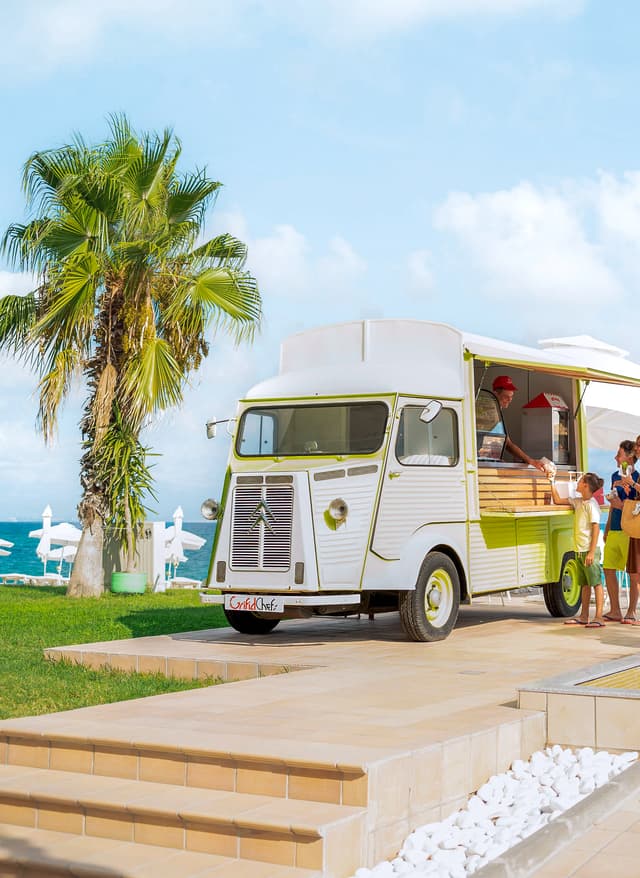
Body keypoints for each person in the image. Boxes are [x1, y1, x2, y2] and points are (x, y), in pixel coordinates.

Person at [548, 472, 605, 627]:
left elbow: (595, 529)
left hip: (589, 551)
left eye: (579, 481)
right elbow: (558, 500)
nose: (577, 484)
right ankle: (584, 616)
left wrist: (592, 552)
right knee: (584, 584)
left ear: (585, 485)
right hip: (579, 551)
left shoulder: (592, 505)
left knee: (596, 583)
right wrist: (551, 481)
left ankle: (599, 617)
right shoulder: (578, 502)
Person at [602, 440, 639, 622]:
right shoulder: (614, 476)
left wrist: (622, 505)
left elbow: (637, 506)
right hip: (615, 528)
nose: (616, 458)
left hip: (629, 531)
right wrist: (607, 527)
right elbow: (612, 504)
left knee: (633, 573)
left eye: (619, 454)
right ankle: (615, 610)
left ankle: (631, 611)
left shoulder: (637, 478)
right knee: (608, 568)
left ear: (629, 457)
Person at [490, 376, 545, 471]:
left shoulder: (497, 413)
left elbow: (505, 442)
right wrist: (530, 461)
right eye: (506, 396)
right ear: (495, 394)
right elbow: (508, 445)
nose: (510, 400)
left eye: (511, 397)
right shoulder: (489, 413)